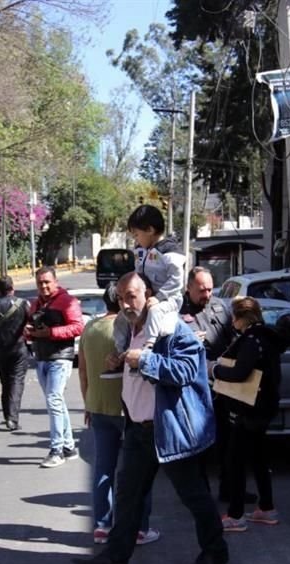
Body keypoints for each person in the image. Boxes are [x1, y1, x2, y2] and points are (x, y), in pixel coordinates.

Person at [72, 272, 227, 564]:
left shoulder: (172, 330)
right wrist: (119, 363)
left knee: (193, 495)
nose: (126, 303)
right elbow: (136, 375)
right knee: (128, 495)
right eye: (121, 297)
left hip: (168, 430)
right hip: (138, 429)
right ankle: (116, 559)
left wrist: (144, 361)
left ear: (148, 295)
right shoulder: (129, 330)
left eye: (131, 295)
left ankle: (215, 552)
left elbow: (185, 371)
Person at [77, 283, 160, 545]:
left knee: (103, 467)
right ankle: (139, 528)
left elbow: (82, 371)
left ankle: (102, 525)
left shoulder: (90, 328)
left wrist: (88, 403)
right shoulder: (129, 329)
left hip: (98, 406)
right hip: (128, 410)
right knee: (136, 472)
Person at [211, 296, 285, 530]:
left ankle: (236, 514)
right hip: (266, 405)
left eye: (234, 317)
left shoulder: (251, 339)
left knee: (236, 460)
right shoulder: (269, 337)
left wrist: (216, 370)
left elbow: (241, 372)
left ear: (243, 318)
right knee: (259, 458)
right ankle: (266, 507)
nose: (232, 321)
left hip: (248, 407)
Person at [178, 266, 239, 501]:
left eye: (210, 289)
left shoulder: (219, 306)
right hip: (195, 389)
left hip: (224, 386)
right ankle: (199, 493)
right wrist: (188, 341)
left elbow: (233, 337)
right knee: (199, 446)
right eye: (202, 290)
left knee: (228, 442)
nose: (207, 294)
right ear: (189, 287)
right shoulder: (177, 312)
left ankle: (230, 489)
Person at [104, 205, 186, 378]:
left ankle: (148, 353)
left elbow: (177, 279)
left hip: (167, 300)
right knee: (121, 319)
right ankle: (121, 356)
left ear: (150, 230)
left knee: (156, 316)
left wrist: (159, 297)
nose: (136, 238)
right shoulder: (142, 251)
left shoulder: (169, 250)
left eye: (136, 234)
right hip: (147, 300)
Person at [25, 266, 84, 468]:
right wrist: (29, 332)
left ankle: (56, 449)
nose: (44, 286)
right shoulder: (35, 304)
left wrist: (50, 333)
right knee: (57, 403)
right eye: (40, 283)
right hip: (41, 358)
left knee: (53, 400)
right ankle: (69, 447)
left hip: (60, 358)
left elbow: (78, 327)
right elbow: (29, 330)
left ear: (55, 281)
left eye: (47, 282)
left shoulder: (67, 301)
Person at [0, 276, 30, 432]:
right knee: (17, 382)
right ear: (12, 288)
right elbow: (33, 323)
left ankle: (7, 414)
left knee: (6, 383)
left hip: (1, 350)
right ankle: (12, 419)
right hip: (19, 348)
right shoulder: (23, 304)